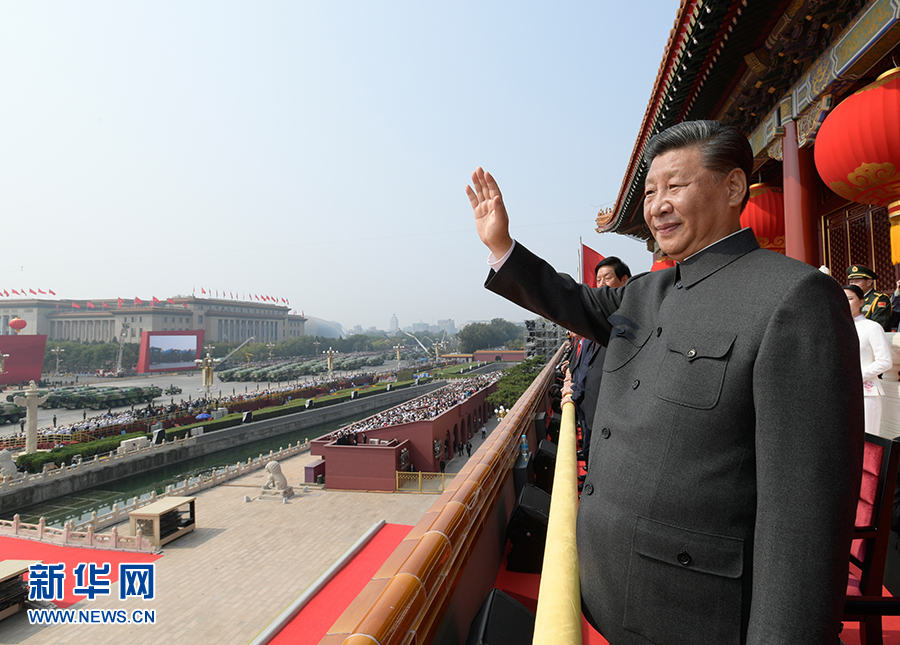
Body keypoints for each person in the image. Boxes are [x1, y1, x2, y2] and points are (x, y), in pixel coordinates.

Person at [466, 120, 863, 644]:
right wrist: (502, 246)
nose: (657, 206)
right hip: (608, 590)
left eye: (675, 186)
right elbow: (568, 299)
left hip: (691, 612)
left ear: (733, 188)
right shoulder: (644, 293)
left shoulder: (793, 298)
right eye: (651, 192)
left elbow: (803, 516)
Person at [569, 257, 631, 474]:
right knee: (591, 458)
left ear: (624, 281)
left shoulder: (632, 321)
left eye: (608, 278)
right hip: (590, 409)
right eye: (598, 280)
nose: (602, 284)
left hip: (614, 415)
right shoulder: (596, 321)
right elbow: (587, 364)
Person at [845, 284, 893, 435]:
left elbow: (885, 361)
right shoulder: (837, 329)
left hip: (866, 393)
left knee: (867, 438)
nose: (845, 303)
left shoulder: (872, 327)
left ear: (861, 302)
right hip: (841, 391)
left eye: (850, 299)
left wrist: (857, 376)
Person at [847, 265, 892, 332]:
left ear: (869, 282)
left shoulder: (880, 299)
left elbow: (879, 324)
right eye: (851, 282)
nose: (853, 285)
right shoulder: (850, 299)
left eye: (857, 281)